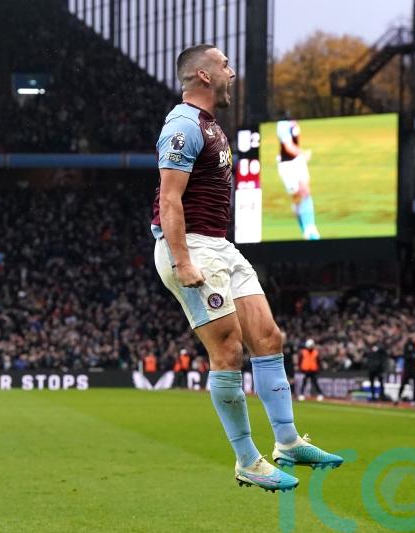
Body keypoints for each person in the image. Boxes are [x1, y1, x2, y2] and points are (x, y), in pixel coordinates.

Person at [150, 44, 342, 493]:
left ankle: (288, 442)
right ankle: (246, 460)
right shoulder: (182, 126)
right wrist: (183, 260)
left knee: (269, 337)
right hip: (192, 247)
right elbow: (169, 199)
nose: (231, 72)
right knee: (229, 352)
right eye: (224, 65)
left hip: (219, 245)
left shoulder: (210, 126)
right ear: (201, 75)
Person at [275, 112, 320, 240]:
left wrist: (300, 156)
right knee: (297, 199)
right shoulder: (282, 125)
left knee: (305, 191)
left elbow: (295, 142)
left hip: (297, 162)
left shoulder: (294, 123)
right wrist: (303, 153)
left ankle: (310, 230)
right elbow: (289, 147)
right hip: (287, 166)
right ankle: (306, 230)